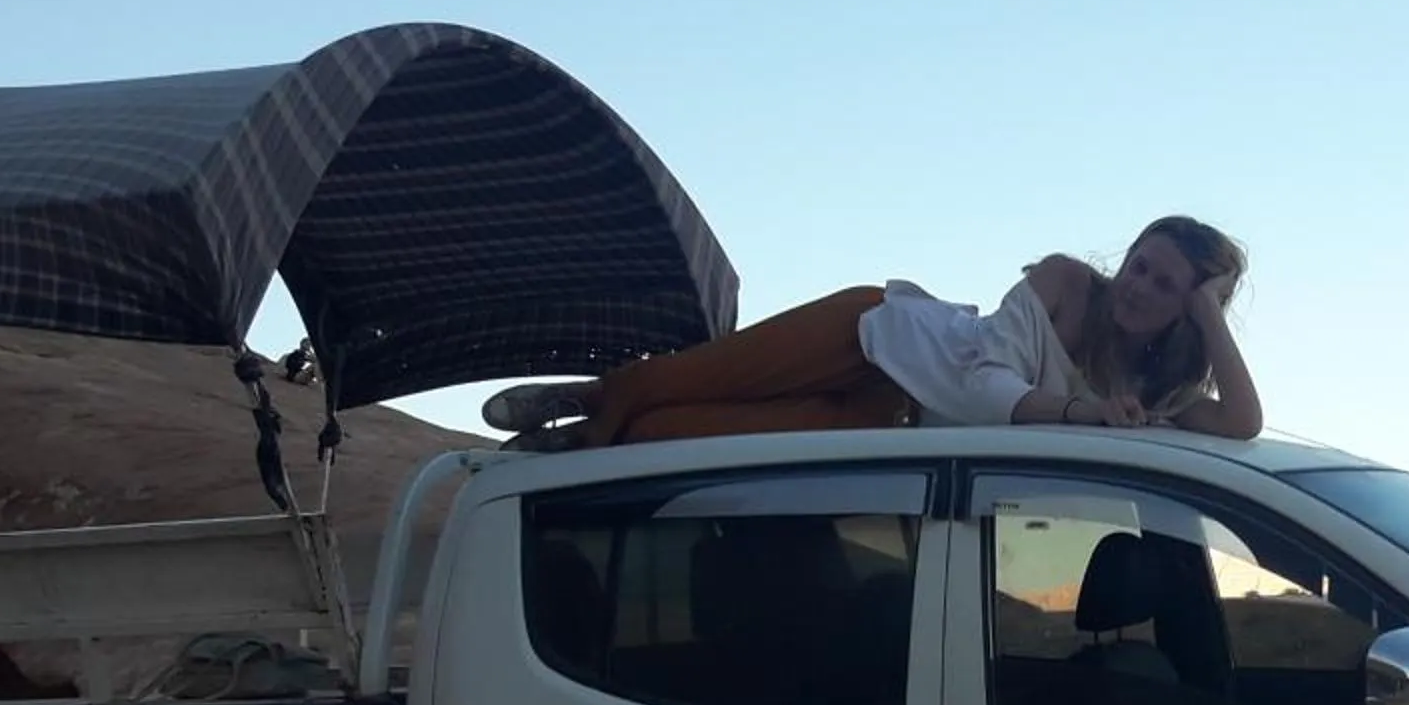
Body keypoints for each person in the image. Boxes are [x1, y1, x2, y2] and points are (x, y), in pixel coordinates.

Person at [480, 215, 1262, 449]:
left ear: (1188, 307)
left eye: (1168, 285)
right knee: (665, 380)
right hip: (876, 338)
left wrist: (1208, 314)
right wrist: (1080, 413)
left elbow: (1241, 423)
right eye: (1141, 264)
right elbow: (988, 386)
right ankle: (578, 405)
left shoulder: (1154, 390)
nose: (1140, 286)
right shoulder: (1066, 284)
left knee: (674, 430)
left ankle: (575, 443)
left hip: (886, 420)